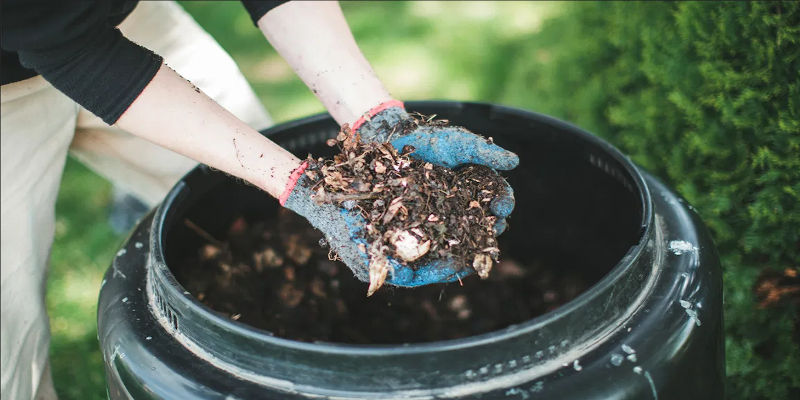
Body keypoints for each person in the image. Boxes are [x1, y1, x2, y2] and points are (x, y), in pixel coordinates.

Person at [0, 1, 518, 398]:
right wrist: (300, 184)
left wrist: (374, 117)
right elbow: (70, 47)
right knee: (9, 353)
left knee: (258, 225)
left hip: (114, 21)